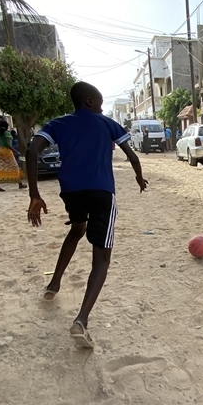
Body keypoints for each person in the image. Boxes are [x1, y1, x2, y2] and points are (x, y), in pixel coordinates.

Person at [26, 81, 147, 349]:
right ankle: (81, 320)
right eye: (101, 103)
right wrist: (139, 177)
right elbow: (132, 156)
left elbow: (31, 150)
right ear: (90, 101)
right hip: (102, 191)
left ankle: (54, 284)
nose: (102, 108)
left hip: (71, 192)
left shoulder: (57, 123)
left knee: (77, 229)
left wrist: (34, 194)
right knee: (101, 259)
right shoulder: (107, 123)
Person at [0, 121, 26, 191]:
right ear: (6, 126)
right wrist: (16, 151)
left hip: (0, 152)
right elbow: (8, 144)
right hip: (7, 152)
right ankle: (20, 184)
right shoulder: (7, 133)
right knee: (15, 167)